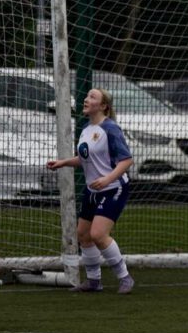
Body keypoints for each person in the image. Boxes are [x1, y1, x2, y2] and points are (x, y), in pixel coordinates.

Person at [47, 88, 135, 294]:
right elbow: (85, 159)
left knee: (98, 234)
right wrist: (63, 162)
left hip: (114, 188)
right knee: (83, 235)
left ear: (103, 106)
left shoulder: (110, 128)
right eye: (86, 96)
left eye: (92, 97)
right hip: (93, 190)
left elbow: (127, 160)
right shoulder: (86, 129)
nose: (86, 99)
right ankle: (94, 281)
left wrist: (106, 180)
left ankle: (125, 277)